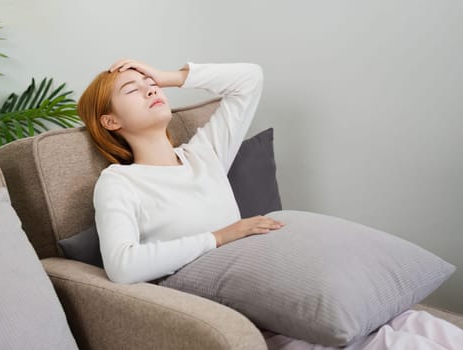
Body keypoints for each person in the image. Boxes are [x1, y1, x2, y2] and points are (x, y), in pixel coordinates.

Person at [77, 59, 463, 350]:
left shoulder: (204, 154)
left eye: (150, 83)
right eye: (132, 89)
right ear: (110, 121)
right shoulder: (120, 183)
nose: (149, 89)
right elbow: (123, 266)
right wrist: (220, 237)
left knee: (426, 328)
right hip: (265, 319)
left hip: (307, 293)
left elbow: (249, 79)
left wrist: (170, 75)